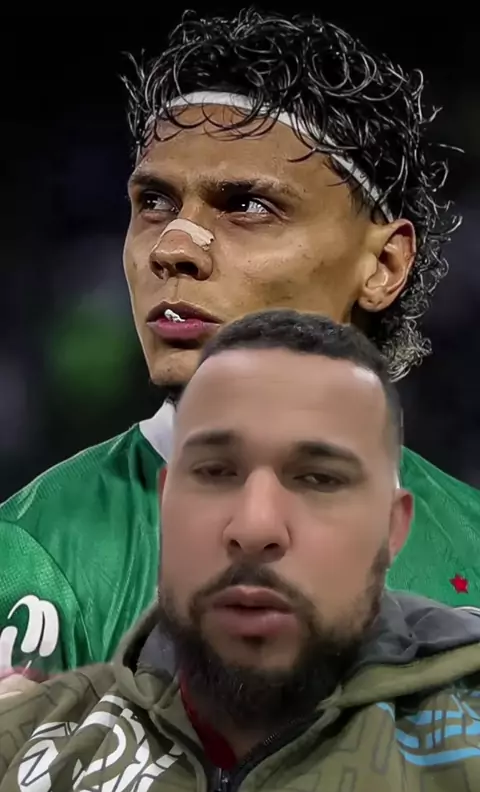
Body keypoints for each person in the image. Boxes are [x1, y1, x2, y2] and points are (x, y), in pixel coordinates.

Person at [2, 10, 480, 678]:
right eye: (154, 203)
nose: (172, 247)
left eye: (248, 206)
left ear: (383, 265)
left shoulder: (472, 549)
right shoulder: (34, 553)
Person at [2, 309, 480, 792]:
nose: (254, 527)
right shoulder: (27, 750)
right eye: (216, 472)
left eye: (317, 478)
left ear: (392, 529)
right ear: (166, 502)